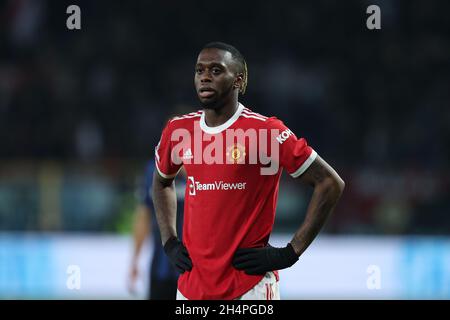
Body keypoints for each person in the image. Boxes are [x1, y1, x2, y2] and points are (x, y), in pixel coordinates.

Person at [152, 42, 345, 300]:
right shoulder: (179, 131)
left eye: (216, 70)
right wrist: (169, 242)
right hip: (191, 290)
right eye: (200, 70)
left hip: (247, 289)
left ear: (238, 80)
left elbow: (330, 183)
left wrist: (289, 252)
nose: (205, 77)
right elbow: (162, 182)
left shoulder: (265, 132)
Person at [128, 159, 185, 299]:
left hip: (195, 270)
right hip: (161, 271)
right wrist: (134, 260)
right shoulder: (154, 169)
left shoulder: (204, 165)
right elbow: (144, 215)